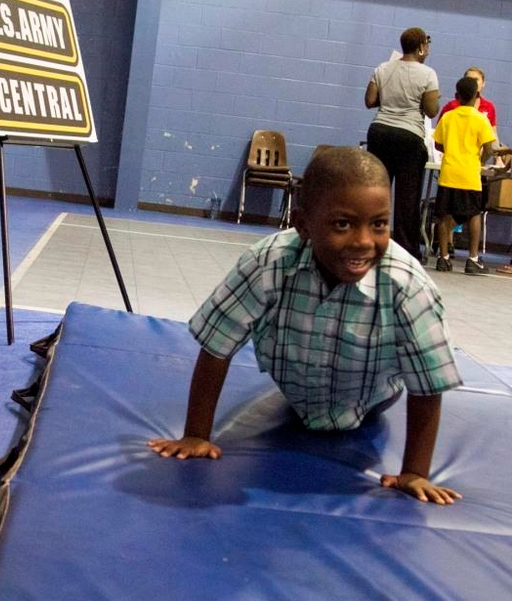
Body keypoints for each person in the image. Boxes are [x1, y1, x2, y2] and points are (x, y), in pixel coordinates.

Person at [148, 146, 463, 505]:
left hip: (371, 396)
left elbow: (427, 384)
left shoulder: (407, 286)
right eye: (342, 224)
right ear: (303, 224)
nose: (363, 241)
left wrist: (414, 472)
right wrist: (196, 435)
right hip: (297, 388)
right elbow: (217, 345)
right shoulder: (270, 263)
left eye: (378, 224)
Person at [364, 27, 440, 260]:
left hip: (380, 132)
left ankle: (368, 241)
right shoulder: (427, 73)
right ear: (420, 48)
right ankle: (406, 252)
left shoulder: (382, 68)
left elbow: (369, 101)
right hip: (409, 137)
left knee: (376, 190)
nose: (427, 50)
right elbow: (431, 110)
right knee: (408, 198)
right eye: (426, 45)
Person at [432, 76, 499, 275]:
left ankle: (443, 258)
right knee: (474, 215)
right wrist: (480, 159)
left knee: (444, 216)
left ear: (456, 96)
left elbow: (437, 143)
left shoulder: (448, 117)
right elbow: (489, 148)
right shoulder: (481, 118)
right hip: (469, 174)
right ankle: (473, 259)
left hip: (449, 172)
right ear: (477, 96)